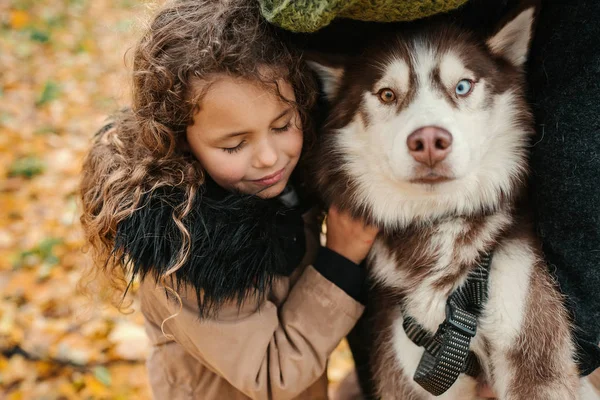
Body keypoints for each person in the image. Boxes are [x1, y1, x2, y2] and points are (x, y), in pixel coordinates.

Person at [79, 1, 379, 399]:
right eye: (235, 145)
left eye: (282, 125)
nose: (269, 157)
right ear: (182, 140)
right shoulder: (189, 245)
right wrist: (339, 260)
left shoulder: (282, 185)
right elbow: (271, 376)